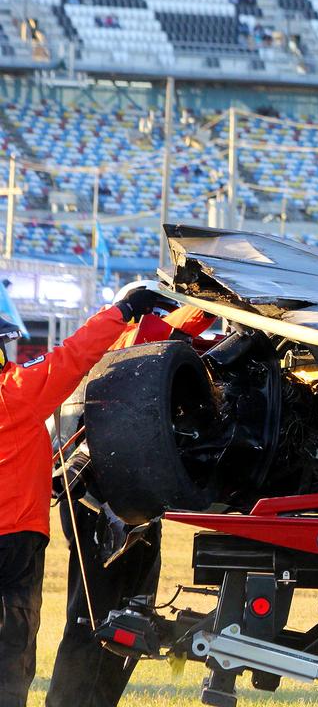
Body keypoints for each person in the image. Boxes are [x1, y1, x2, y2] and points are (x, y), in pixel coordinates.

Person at [46, 299, 214, 707]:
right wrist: (205, 301)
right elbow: (179, 328)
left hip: (120, 501)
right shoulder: (131, 340)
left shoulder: (115, 341)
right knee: (100, 619)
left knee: (120, 619)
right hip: (104, 504)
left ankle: (88, 700)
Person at [0, 290, 158, 707]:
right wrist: (123, 311)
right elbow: (75, 353)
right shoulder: (18, 391)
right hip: (15, 540)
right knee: (11, 641)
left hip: (17, 533)